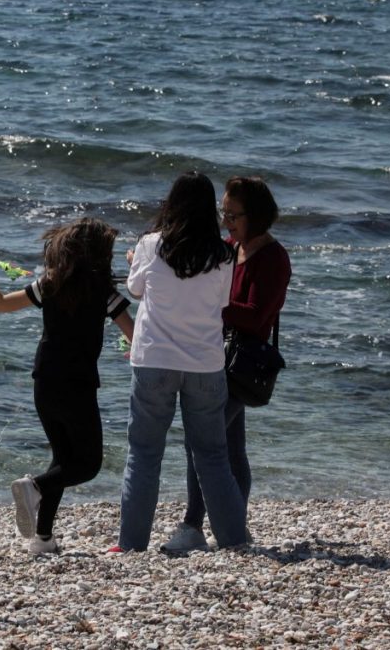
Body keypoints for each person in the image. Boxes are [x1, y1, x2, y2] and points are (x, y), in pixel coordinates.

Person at [0, 218, 134, 555]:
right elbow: (135, 335)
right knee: (87, 464)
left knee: (63, 458)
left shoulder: (50, 284)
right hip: (78, 386)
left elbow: (1, 304)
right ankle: (34, 486)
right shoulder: (104, 293)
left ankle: (42, 538)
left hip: (44, 381)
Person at [115, 172, 248, 552]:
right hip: (205, 363)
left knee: (144, 454)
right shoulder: (224, 254)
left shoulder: (151, 244)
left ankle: (131, 544)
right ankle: (234, 541)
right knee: (213, 456)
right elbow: (222, 302)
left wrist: (134, 262)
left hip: (154, 358)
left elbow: (135, 289)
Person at [162, 176, 292, 553]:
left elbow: (255, 316)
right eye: (224, 213)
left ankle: (193, 525)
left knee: (202, 440)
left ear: (257, 216)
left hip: (242, 364)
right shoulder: (232, 248)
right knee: (232, 449)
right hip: (218, 356)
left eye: (233, 215)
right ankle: (235, 526)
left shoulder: (273, 258)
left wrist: (209, 303)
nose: (225, 222)